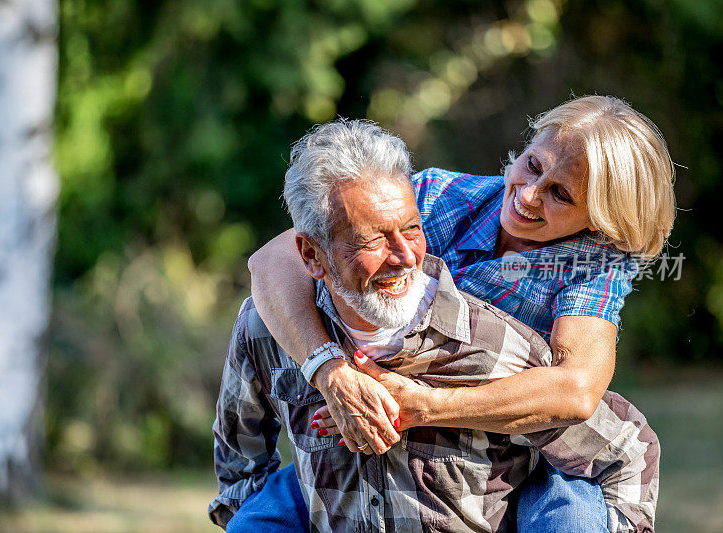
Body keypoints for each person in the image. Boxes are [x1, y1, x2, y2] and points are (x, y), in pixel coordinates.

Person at [209, 119, 659, 532]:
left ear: (600, 219)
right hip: (379, 434)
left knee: (571, 518)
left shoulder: (593, 262)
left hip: (531, 444)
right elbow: (274, 260)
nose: (528, 194)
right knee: (263, 517)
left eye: (561, 195)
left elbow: (576, 393)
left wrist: (424, 406)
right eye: (532, 165)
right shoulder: (437, 194)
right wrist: (330, 371)